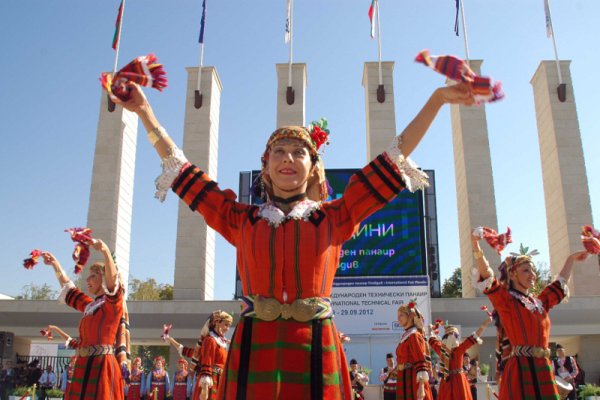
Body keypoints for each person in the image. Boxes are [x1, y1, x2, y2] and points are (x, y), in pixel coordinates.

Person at [114, 78, 475, 399]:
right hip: (254, 346)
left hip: (317, 349)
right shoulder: (241, 219)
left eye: (299, 152)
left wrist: (438, 99)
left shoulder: (336, 216)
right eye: (279, 152)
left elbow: (395, 158)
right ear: (266, 165)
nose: (288, 158)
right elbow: (183, 172)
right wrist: (145, 112)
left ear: (312, 165)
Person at [472, 230, 589, 399]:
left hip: (543, 367)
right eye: (526, 270)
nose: (532, 275)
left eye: (533, 271)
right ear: (513, 274)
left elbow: (560, 282)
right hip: (520, 368)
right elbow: (487, 275)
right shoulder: (507, 301)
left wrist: (571, 259)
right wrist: (475, 245)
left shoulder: (540, 302)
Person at [43, 238, 127, 400]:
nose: (87, 280)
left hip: (102, 365)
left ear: (103, 279)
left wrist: (105, 251)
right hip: (84, 363)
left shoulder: (113, 305)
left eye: (93, 276)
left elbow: (113, 284)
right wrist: (55, 265)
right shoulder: (90, 306)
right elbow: (69, 290)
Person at [428, 316, 491, 400]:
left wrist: (430, 330)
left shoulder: (442, 350)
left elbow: (432, 340)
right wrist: (484, 325)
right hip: (458, 380)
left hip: (447, 380)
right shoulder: (458, 349)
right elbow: (474, 337)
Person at [395, 302, 433, 400]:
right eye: (398, 316)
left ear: (410, 316)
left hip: (413, 378)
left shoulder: (414, 335)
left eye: (401, 315)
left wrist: (421, 387)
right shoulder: (406, 336)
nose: (398, 318)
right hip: (404, 377)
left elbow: (420, 360)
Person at [191, 311, 232, 400]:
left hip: (220, 380)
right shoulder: (210, 340)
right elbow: (207, 362)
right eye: (226, 325)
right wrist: (205, 389)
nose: (227, 328)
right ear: (217, 322)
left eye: (229, 326)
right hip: (211, 382)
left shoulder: (222, 342)